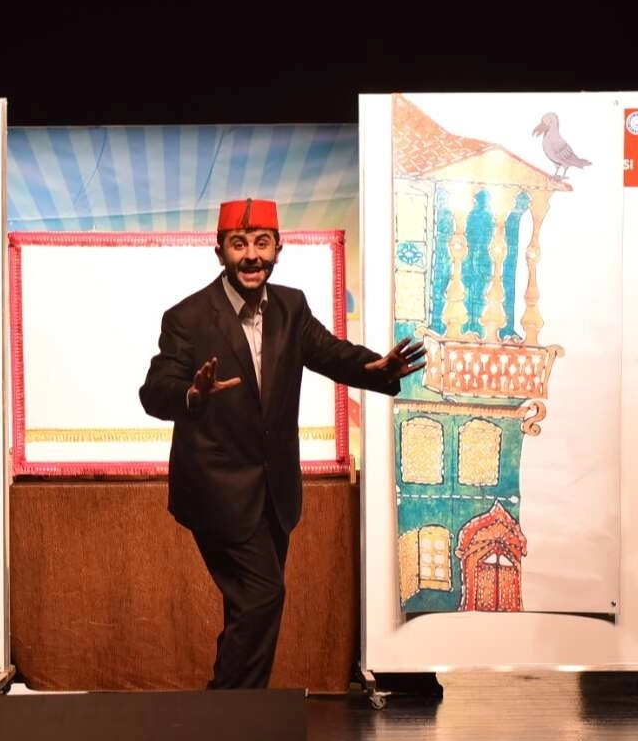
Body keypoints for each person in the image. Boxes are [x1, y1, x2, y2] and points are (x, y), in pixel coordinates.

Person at [139, 197, 426, 689]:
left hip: (275, 493)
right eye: (239, 244)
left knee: (248, 608)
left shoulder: (291, 308)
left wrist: (377, 368)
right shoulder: (187, 317)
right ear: (220, 252)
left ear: (278, 248)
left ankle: (237, 712)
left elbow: (330, 353)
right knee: (263, 596)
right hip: (215, 490)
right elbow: (154, 390)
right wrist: (192, 394)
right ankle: (230, 711)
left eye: (262, 243)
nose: (251, 255)